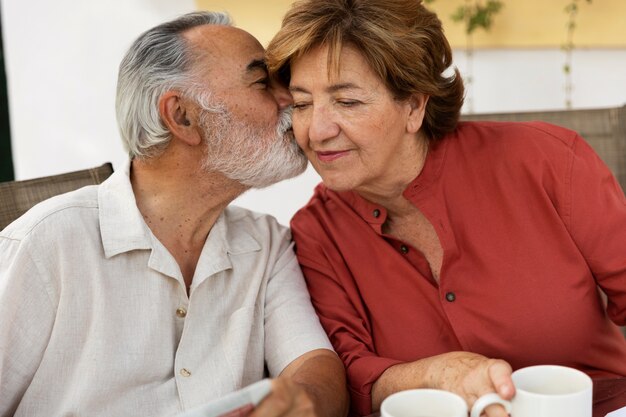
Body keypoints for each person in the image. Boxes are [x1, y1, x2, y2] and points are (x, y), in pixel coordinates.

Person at [266, 0, 626, 416]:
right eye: (302, 104)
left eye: (347, 102)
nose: (317, 131)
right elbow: (350, 373)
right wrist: (438, 374)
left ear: (414, 106)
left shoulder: (546, 161)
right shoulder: (317, 233)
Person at [0, 11, 348, 417]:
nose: (290, 98)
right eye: (261, 82)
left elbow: (312, 363)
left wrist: (304, 399)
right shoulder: (47, 245)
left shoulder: (265, 243)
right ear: (182, 116)